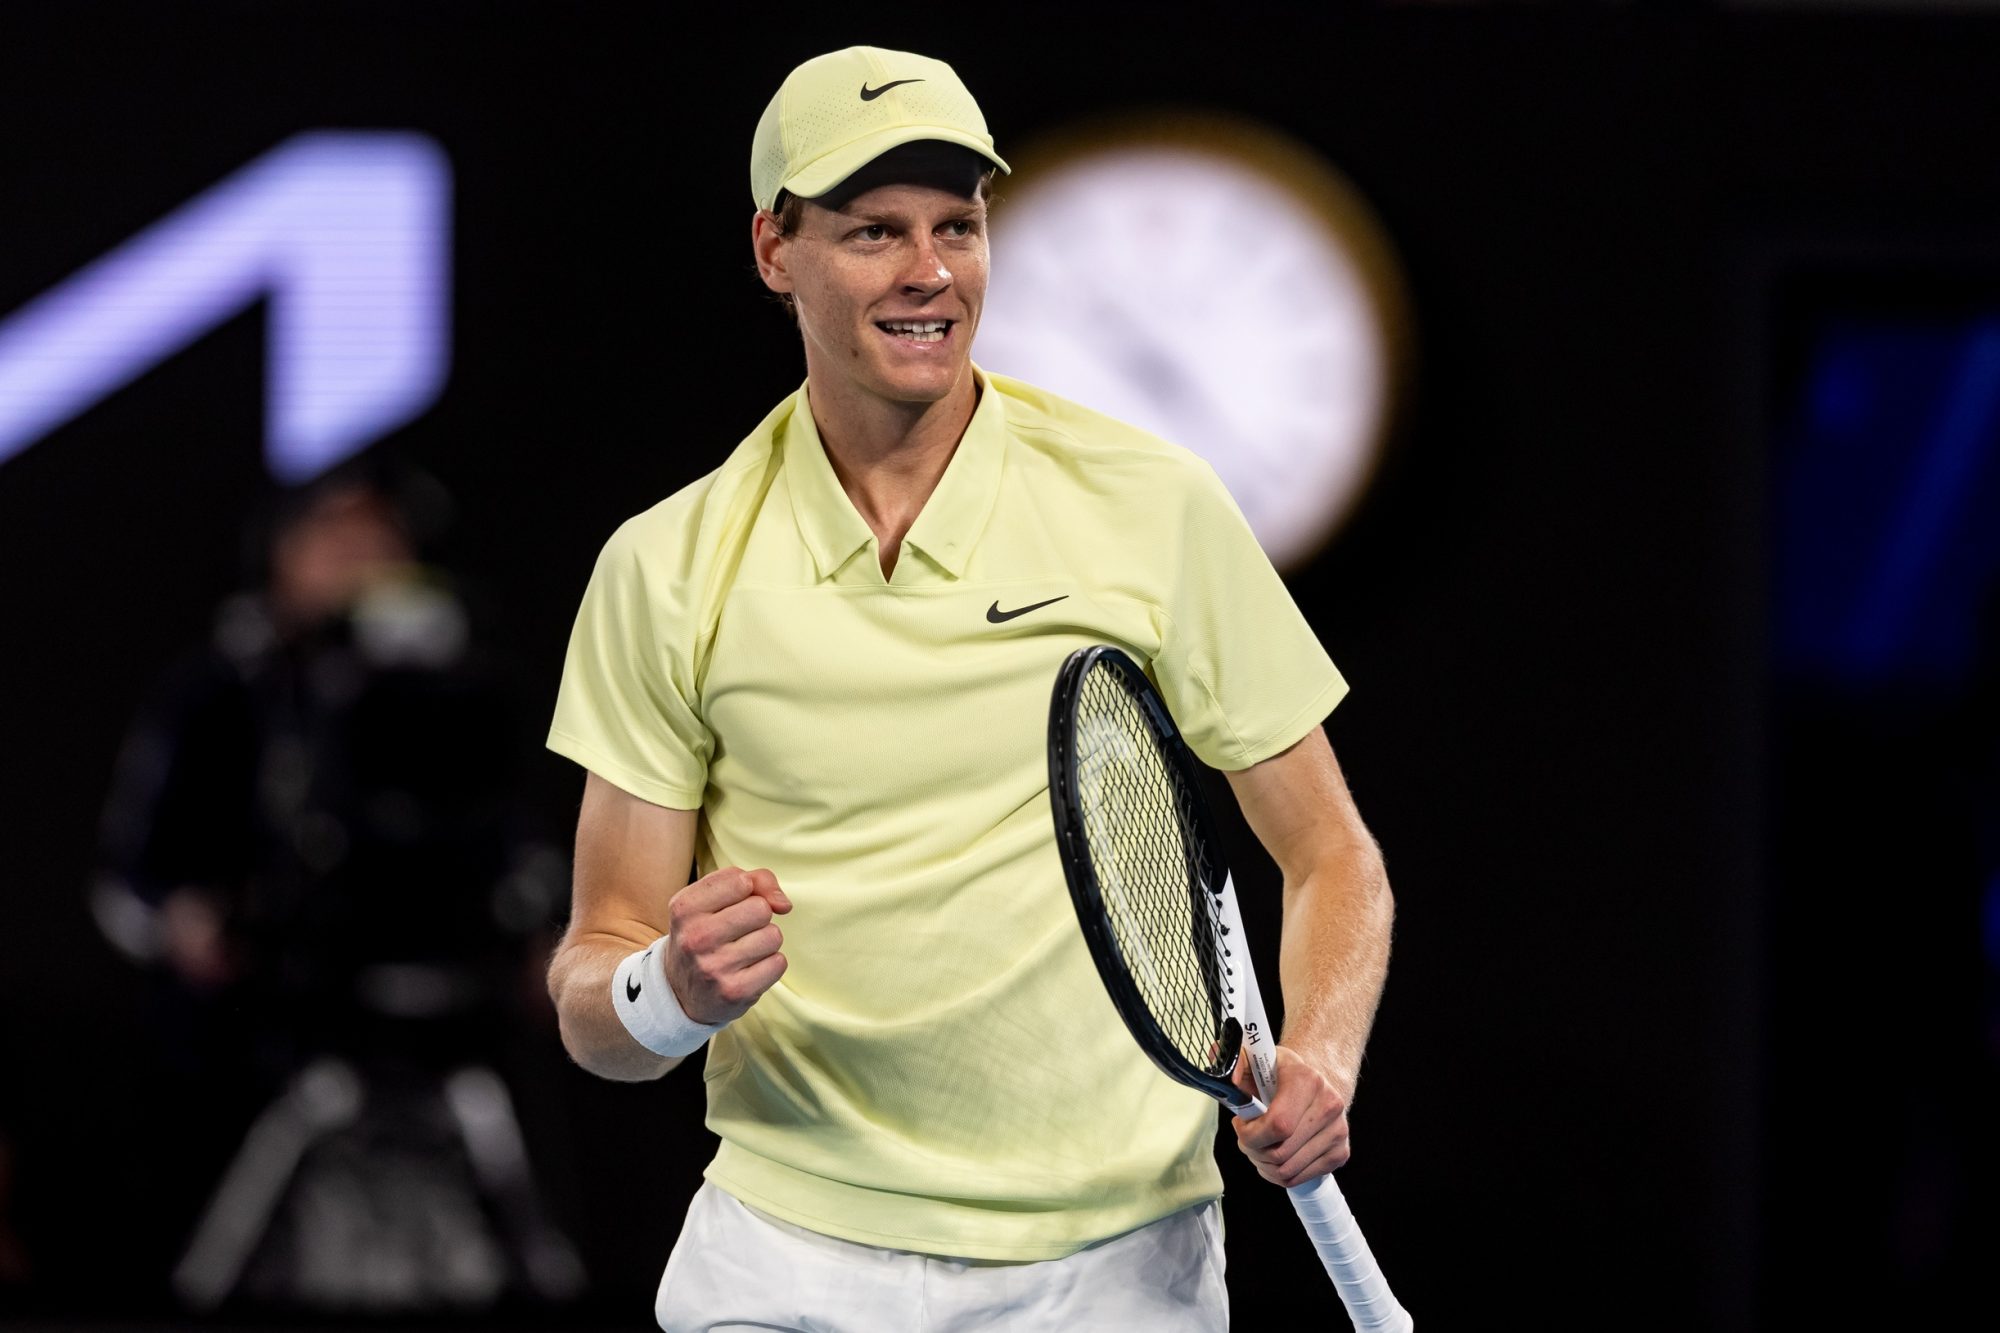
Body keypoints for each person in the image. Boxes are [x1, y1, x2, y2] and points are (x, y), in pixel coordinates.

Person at [545, 46, 1395, 1330]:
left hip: (1114, 1266)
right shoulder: (663, 567)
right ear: (775, 251)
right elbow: (593, 988)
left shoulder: (1151, 504)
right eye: (872, 232)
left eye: (957, 226)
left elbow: (1331, 855)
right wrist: (668, 989)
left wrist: (1320, 1051)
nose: (928, 271)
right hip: (789, 1253)